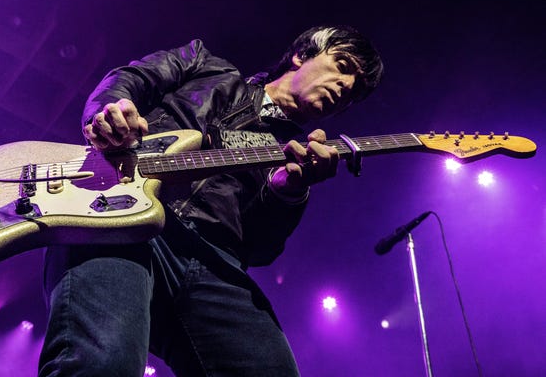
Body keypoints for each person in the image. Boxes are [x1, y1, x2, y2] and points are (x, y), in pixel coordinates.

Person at [38, 25, 383, 376]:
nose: (347, 87)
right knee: (102, 364)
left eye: (355, 92)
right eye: (342, 65)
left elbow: (261, 250)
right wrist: (112, 110)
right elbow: (131, 77)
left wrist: (287, 190)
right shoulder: (206, 63)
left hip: (215, 261)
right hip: (121, 215)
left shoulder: (296, 154)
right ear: (301, 55)